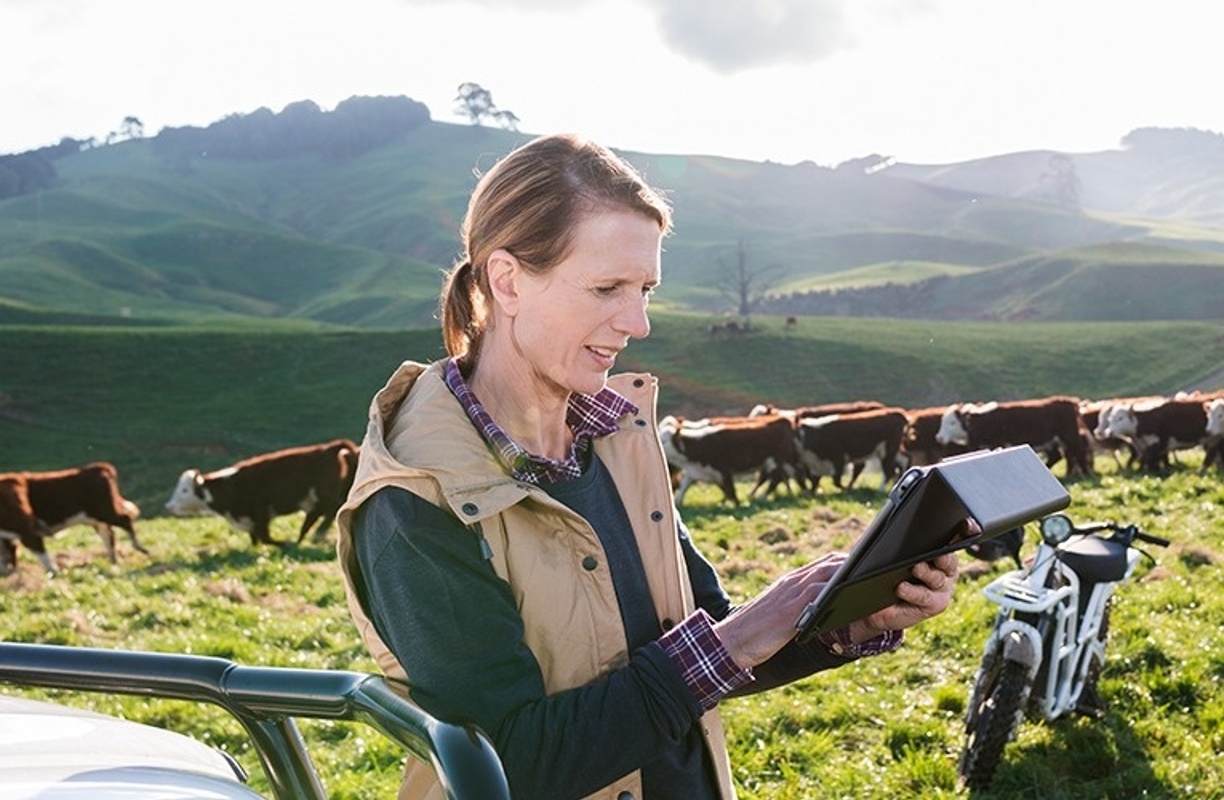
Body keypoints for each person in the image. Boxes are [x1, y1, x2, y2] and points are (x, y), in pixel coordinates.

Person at [334, 133, 960, 800]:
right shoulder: (416, 497)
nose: (638, 323)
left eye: (646, 290)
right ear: (508, 280)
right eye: (606, 287)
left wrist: (847, 622)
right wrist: (738, 639)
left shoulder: (616, 439)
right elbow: (508, 764)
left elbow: (708, 650)